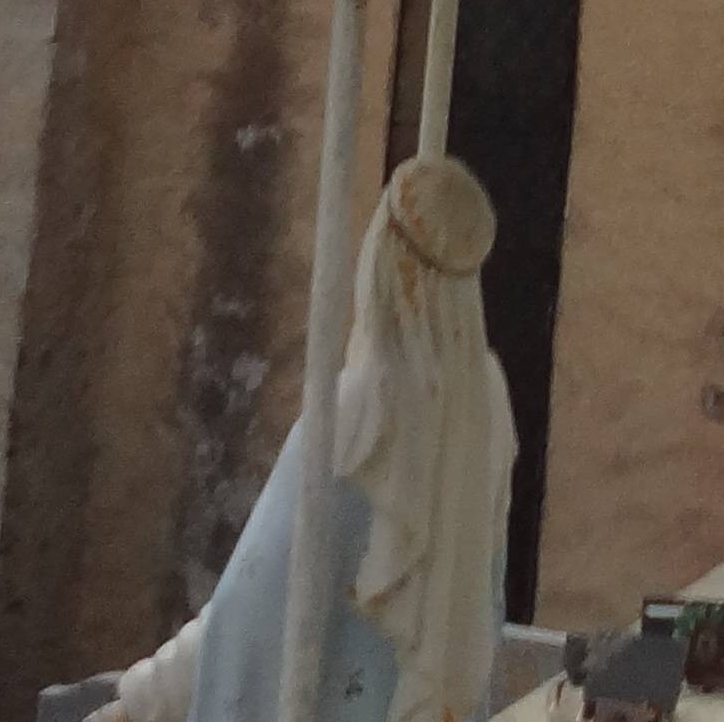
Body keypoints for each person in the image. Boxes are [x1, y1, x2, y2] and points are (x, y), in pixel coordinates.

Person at [104, 153, 518, 722]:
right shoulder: (488, 400)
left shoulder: (355, 414)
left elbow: (253, 607)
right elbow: (484, 599)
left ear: (383, 260)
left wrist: (141, 700)